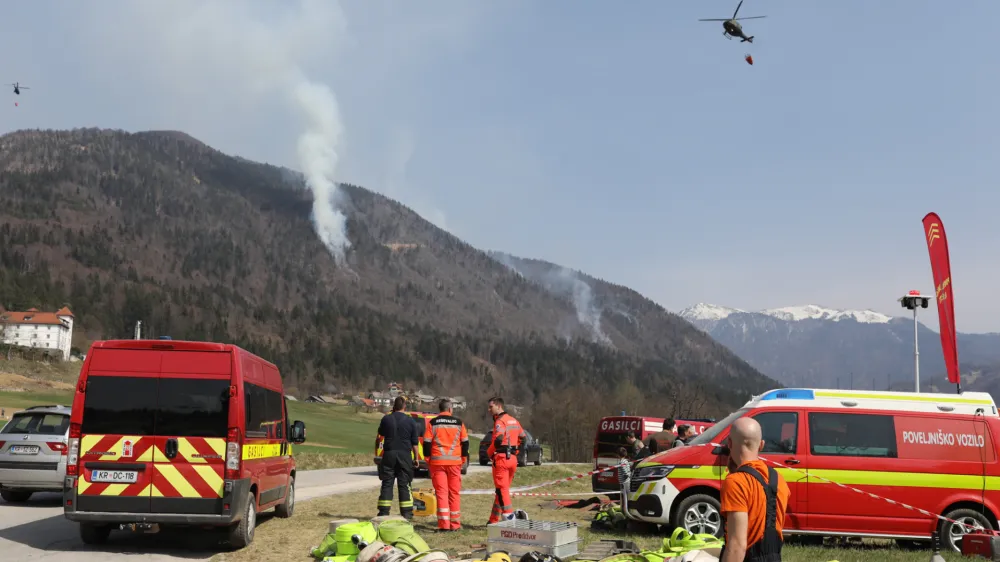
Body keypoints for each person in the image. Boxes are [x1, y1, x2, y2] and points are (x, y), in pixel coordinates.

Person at [719, 417, 790, 562]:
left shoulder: (735, 482)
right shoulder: (779, 480)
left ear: (730, 443)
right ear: (761, 445)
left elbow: (737, 546)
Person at [423, 398, 470, 532]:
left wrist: (428, 458)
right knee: (454, 493)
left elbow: (426, 442)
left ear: (440, 409)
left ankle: (444, 525)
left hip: (437, 462)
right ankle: (455, 524)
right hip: (455, 462)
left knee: (442, 493)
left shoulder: (433, 422)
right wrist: (463, 458)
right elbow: (465, 442)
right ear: (450, 409)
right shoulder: (459, 423)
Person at [376, 396, 421, 519]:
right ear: (404, 406)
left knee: (387, 483)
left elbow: (381, 432)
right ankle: (406, 513)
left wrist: (389, 415)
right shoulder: (410, 421)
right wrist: (416, 458)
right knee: (404, 483)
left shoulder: (386, 419)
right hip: (404, 455)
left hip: (389, 454)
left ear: (393, 406)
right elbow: (415, 444)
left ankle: (383, 512)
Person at [486, 396, 524, 524]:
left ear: (499, 406)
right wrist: (516, 451)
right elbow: (523, 438)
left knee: (502, 491)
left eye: (491, 407)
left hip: (501, 459)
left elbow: (498, 439)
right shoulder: (514, 421)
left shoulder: (500, 421)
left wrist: (489, 453)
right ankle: (493, 520)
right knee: (501, 491)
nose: (489, 409)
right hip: (512, 459)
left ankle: (509, 520)